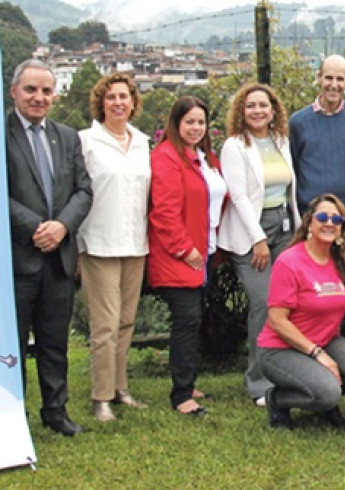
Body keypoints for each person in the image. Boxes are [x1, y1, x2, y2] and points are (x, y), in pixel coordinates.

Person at [6, 59, 92, 436]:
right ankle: (13, 415)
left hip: (59, 258)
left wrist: (62, 226)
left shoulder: (67, 136)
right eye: (30, 90)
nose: (39, 98)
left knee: (54, 341)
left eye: (45, 91)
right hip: (17, 258)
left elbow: (84, 190)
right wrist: (34, 227)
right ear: (14, 92)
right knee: (12, 343)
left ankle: (55, 411)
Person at [258, 194, 345, 430]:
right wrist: (317, 354)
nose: (329, 223)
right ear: (309, 222)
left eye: (337, 219)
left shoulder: (343, 260)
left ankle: (322, 396)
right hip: (280, 349)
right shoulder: (290, 261)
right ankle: (279, 399)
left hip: (325, 341)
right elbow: (277, 320)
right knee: (328, 393)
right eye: (322, 217)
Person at [218, 82, 301, 407]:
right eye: (250, 106)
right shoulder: (235, 146)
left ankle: (284, 371)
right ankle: (258, 381)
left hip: (284, 228)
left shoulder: (281, 141)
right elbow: (238, 197)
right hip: (252, 232)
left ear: (273, 109)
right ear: (242, 110)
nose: (257, 111)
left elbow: (289, 188)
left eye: (263, 105)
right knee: (263, 304)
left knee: (285, 304)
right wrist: (258, 240)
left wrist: (295, 227)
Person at [77, 72, 151, 422]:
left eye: (124, 97)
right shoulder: (86, 142)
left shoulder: (141, 142)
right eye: (111, 98)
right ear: (101, 103)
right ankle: (100, 397)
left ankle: (120, 389)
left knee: (126, 321)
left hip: (135, 243)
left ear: (133, 102)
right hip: (99, 243)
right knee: (104, 325)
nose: (119, 103)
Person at [148, 95, 227, 416]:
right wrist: (184, 248)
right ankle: (181, 396)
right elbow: (164, 213)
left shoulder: (204, 157)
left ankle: (188, 380)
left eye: (201, 122)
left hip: (204, 252)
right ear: (176, 123)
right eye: (189, 122)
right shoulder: (166, 157)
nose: (195, 128)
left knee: (194, 320)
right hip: (179, 255)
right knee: (186, 320)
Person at [289, 54, 345, 210]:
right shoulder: (298, 122)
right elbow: (293, 170)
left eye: (340, 79)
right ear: (319, 77)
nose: (334, 85)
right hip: (310, 213)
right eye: (328, 78)